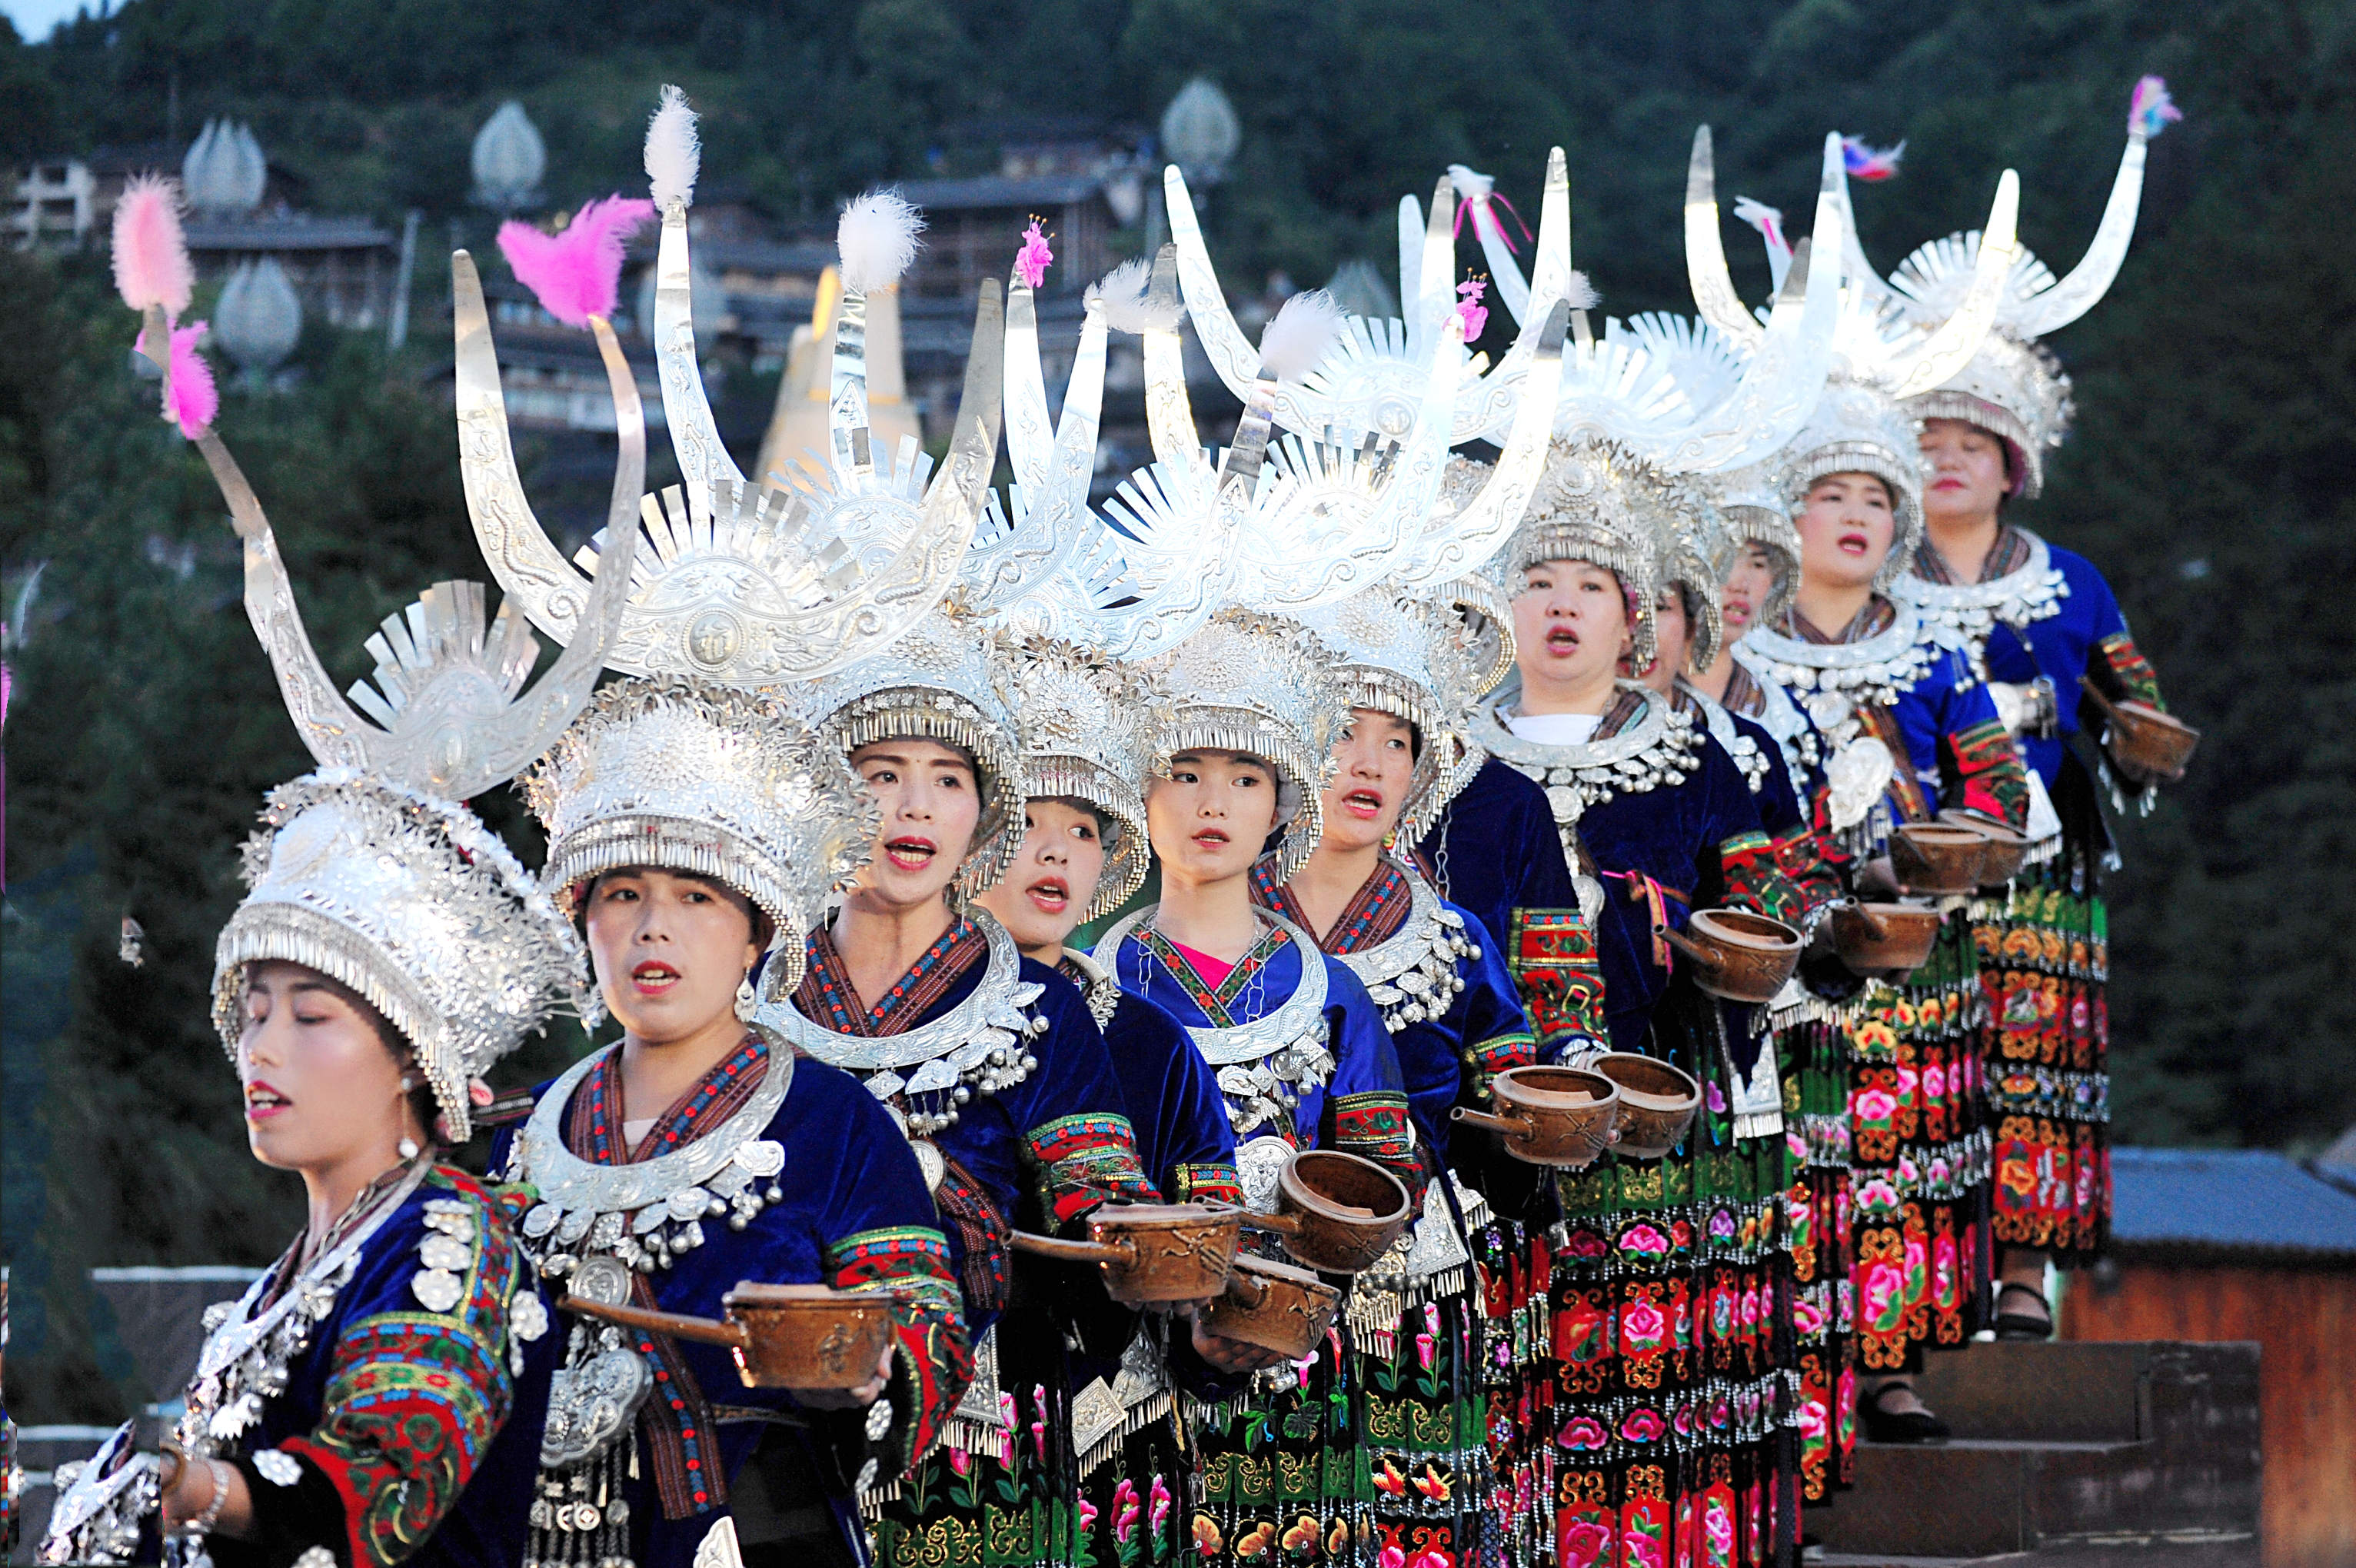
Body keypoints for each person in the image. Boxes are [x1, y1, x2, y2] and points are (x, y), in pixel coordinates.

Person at [499, 681, 971, 1568]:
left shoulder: (835, 1122)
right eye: (623, 892)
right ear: (583, 918)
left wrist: (874, 1366)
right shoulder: (532, 1132)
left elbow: (929, 1324)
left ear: (757, 932)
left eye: (696, 898)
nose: (652, 929)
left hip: (765, 1527)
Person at [760, 608, 1159, 1567]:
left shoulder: (1034, 1008)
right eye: (881, 775)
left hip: (984, 1416)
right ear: (825, 798)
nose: (914, 806)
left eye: (947, 779)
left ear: (983, 811)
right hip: (770, 1418)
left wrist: (1167, 1247)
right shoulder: (748, 993)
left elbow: (1102, 1203)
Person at [1467, 440, 1806, 1568]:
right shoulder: (1447, 763)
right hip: (1494, 1124)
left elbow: (1761, 896)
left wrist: (1717, 931)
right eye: (1538, 582)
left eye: (1593, 588)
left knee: (1642, 1370)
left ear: (1637, 621)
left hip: (1660, 1099)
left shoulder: (1694, 759)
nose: (1563, 607)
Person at [1093, 608, 1421, 1567]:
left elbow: (1383, 1165)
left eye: (1244, 777)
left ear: (1281, 803)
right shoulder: (1095, 988)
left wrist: (1305, 1260)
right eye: (1185, 773)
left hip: (1295, 1343)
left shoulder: (1329, 987)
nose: (1213, 801)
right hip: (1129, 1365)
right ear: (1139, 794)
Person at [1740, 380, 2031, 1443]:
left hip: (1906, 955)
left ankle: (1887, 1374)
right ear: (1788, 519)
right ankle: (1788, 1389)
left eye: (1875, 495)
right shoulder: (1745, 659)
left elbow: (2001, 790)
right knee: (1798, 1172)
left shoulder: (1931, 654)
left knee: (1892, 1164)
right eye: (1832, 493)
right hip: (1779, 962)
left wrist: (1930, 853)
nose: (1857, 513)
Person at [1895, 335, 2183, 1337]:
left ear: (2012, 464)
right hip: (1909, 863)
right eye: (1928, 436)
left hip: (2040, 863)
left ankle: (2022, 1274)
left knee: (2036, 1064)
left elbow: (2133, 698)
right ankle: (1917, 1290)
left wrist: (2146, 745)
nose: (1949, 456)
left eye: (1973, 440)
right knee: (1917, 1071)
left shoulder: (2071, 582)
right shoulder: (1877, 582)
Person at [1260, 588, 1553, 1568]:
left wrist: (1546, 1112)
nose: (1368, 762)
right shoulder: (1215, 929)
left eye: (1398, 740)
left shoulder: (1452, 937)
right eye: (1345, 731)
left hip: (1411, 1278)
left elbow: (1513, 1076)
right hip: (1254, 1269)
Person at [975, 633, 1244, 1568]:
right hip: (925, 1431)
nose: (1055, 850)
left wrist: (1218, 1325)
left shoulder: (1149, 1040)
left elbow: (1211, 1232)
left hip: (1109, 1432)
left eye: (1084, 828)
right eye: (1027, 823)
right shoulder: (863, 1022)